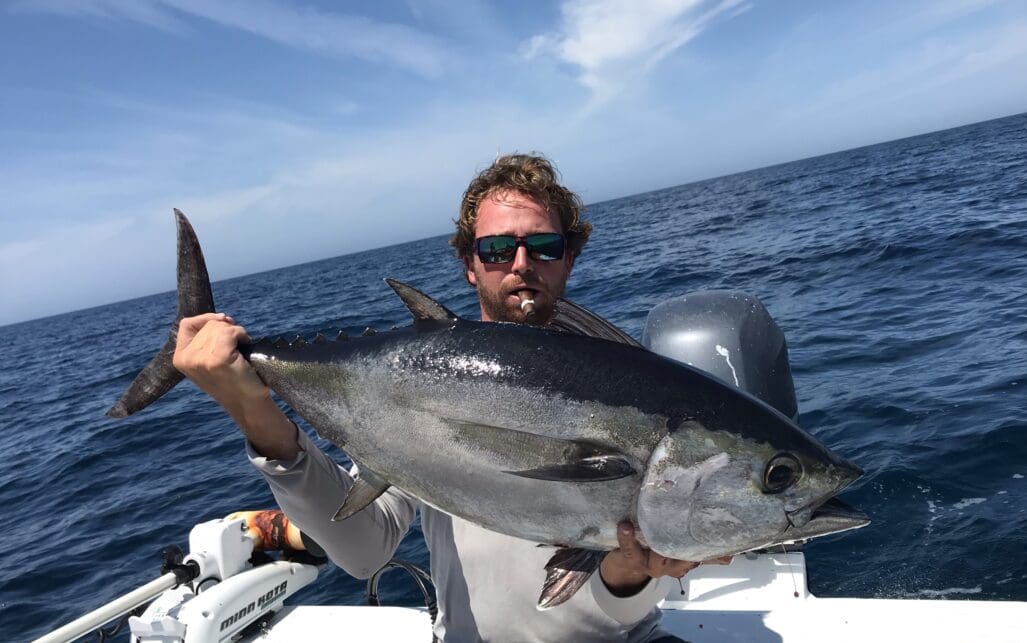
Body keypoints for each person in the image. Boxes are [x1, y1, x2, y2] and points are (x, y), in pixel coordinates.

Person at [173, 154, 700, 642]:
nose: (521, 263)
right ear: (470, 264)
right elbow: (363, 549)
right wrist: (251, 408)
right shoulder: (421, 384)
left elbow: (623, 610)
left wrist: (632, 570)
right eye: (497, 248)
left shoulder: (623, 379)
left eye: (544, 246)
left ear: (569, 258)